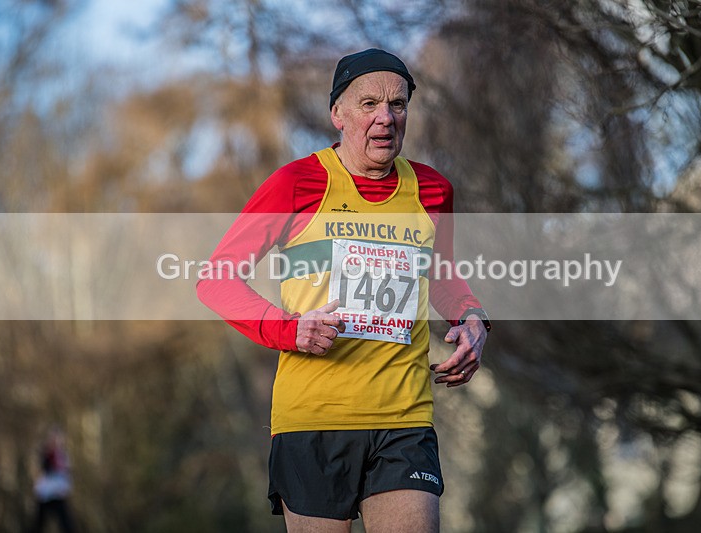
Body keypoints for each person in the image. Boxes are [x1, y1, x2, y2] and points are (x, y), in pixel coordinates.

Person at [197, 48, 490, 533]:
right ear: (338, 114)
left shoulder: (433, 190)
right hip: (314, 419)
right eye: (369, 103)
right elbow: (216, 279)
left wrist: (472, 317)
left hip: (404, 418)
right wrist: (289, 330)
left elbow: (440, 276)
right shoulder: (297, 182)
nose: (385, 118)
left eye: (398, 105)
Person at [31, 426, 75, 533]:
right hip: (46, 493)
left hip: (58, 492)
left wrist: (67, 487)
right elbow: (41, 469)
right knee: (39, 523)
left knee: (65, 522)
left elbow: (66, 472)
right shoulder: (45, 454)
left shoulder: (62, 455)